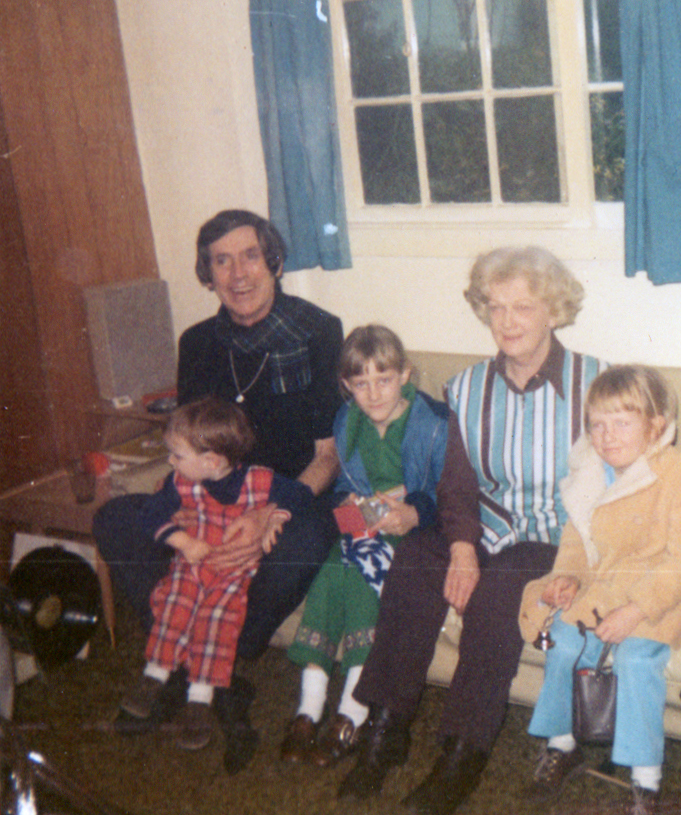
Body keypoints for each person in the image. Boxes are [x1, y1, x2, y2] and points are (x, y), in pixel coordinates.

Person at [338, 246, 606, 815]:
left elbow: (616, 482)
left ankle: (462, 753)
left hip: (554, 536)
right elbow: (456, 485)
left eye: (523, 307)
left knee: (497, 592)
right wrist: (461, 546)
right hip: (484, 526)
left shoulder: (595, 383)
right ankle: (385, 729)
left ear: (553, 312)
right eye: (495, 307)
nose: (507, 321)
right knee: (415, 561)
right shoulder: (467, 387)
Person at [94, 210, 342, 764]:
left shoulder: (318, 331)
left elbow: (328, 455)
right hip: (209, 498)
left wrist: (268, 512)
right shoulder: (199, 342)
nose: (238, 273)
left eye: (250, 256)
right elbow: (187, 443)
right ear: (207, 274)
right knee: (115, 518)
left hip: (287, 497)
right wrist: (184, 507)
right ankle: (203, 674)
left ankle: (206, 666)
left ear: (273, 261)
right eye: (221, 261)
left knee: (311, 539)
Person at [519, 366, 681, 815]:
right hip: (607, 585)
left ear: (656, 426)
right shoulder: (589, 470)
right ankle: (563, 744)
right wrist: (567, 576)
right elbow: (576, 540)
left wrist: (636, 610)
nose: (607, 436)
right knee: (563, 642)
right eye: (597, 424)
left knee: (636, 658)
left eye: (622, 423)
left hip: (663, 592)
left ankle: (646, 780)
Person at [280, 325, 480, 768]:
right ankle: (308, 708)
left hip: (416, 532)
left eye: (384, 380)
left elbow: (449, 494)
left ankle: (352, 712)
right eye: (360, 383)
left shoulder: (434, 424)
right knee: (331, 572)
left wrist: (411, 511)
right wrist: (349, 503)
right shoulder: (347, 421)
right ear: (346, 385)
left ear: (405, 375)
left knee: (359, 583)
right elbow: (344, 488)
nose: (373, 394)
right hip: (365, 525)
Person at [119, 398, 314, 750]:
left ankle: (200, 700)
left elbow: (300, 496)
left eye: (177, 455)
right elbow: (149, 514)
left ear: (212, 461)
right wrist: (182, 541)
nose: (170, 461)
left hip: (232, 575)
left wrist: (274, 515)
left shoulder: (260, 479)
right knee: (175, 603)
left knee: (216, 620)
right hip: (191, 566)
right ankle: (154, 675)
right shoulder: (178, 482)